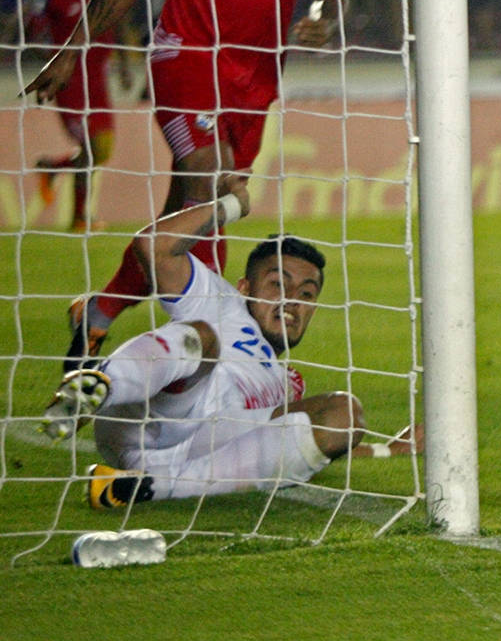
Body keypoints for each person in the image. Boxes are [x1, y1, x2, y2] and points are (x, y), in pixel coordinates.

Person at [25, 0, 343, 371]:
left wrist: (323, 18)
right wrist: (70, 53)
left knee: (192, 211)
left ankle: (97, 313)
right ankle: (207, 346)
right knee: (210, 173)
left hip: (258, 77)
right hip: (185, 56)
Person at [39, 180, 367, 509]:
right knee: (203, 337)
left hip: (205, 446)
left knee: (345, 412)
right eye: (277, 284)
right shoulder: (221, 301)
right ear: (243, 287)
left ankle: (147, 486)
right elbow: (153, 246)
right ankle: (98, 388)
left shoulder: (288, 382)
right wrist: (231, 205)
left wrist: (393, 448)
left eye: (306, 294)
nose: (292, 301)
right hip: (151, 414)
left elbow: (294, 443)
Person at [30, 0, 129, 233]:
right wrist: (52, 63)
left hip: (98, 80)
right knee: (88, 150)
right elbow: (33, 34)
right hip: (70, 83)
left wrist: (124, 64)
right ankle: (79, 219)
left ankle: (54, 168)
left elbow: (120, 24)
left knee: (103, 149)